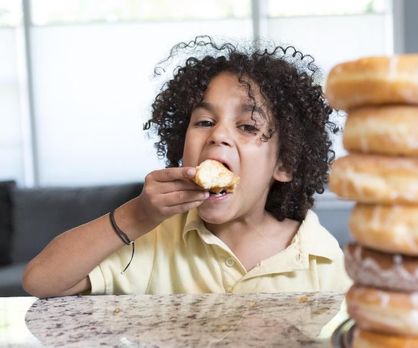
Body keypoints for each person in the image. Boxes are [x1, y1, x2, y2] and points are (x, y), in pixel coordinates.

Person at [22, 36, 351, 297]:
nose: (218, 135)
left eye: (248, 127)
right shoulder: (157, 239)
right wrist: (136, 215)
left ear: (285, 163)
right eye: (205, 121)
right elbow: (41, 281)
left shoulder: (319, 258)